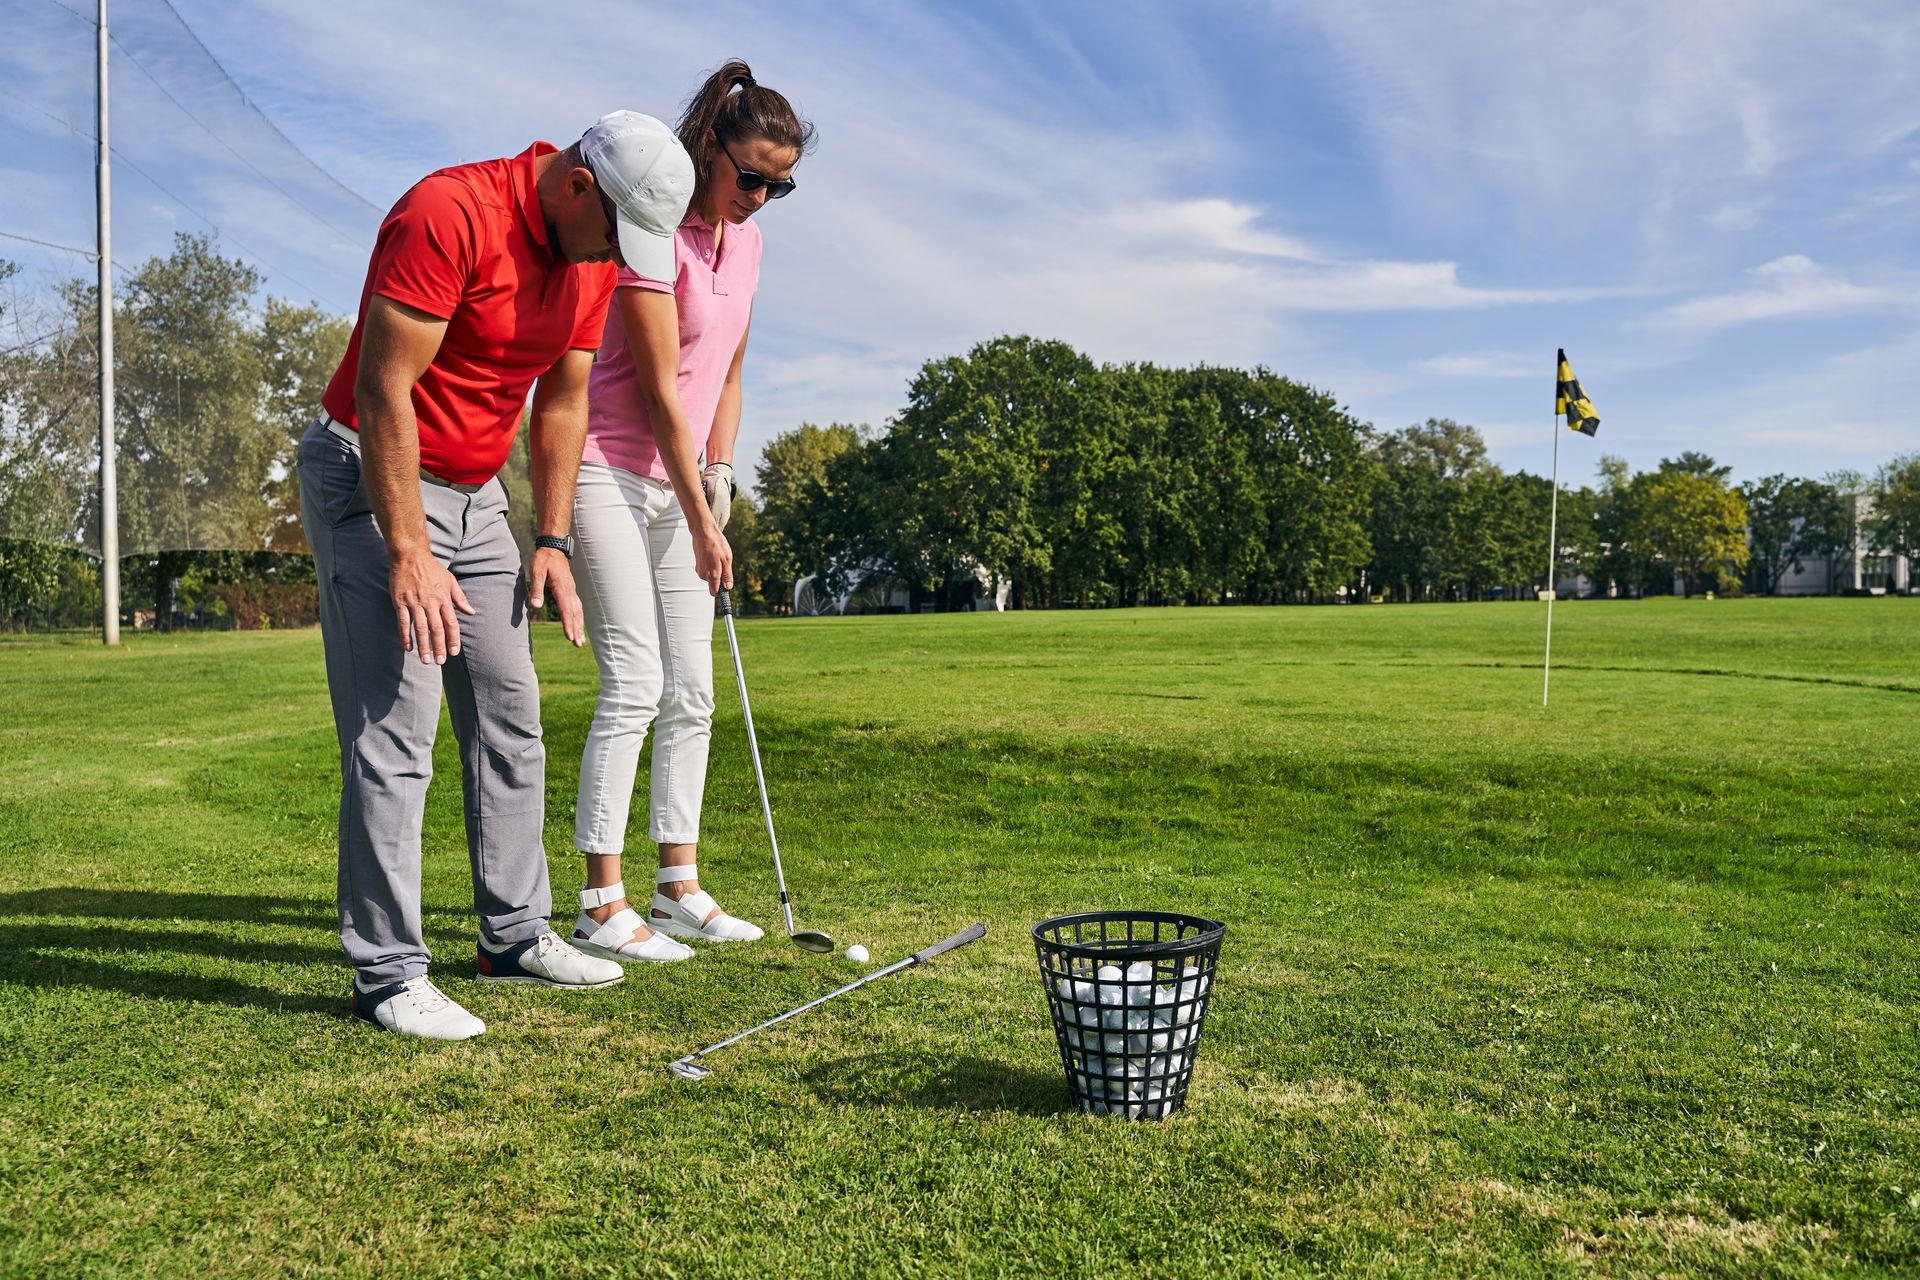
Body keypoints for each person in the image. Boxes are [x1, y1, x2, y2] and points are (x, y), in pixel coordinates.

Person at [297, 112, 695, 1039]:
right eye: (612, 232)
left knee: (512, 714)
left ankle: (512, 936)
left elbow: (561, 403)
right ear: (578, 185)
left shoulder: (592, 256)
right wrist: (408, 552)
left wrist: (549, 538)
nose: (613, 256)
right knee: (399, 730)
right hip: (372, 473)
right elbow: (381, 388)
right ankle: (387, 973)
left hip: (477, 497)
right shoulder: (450, 213)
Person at [567, 62, 814, 963]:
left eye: (778, 185)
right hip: (608, 470)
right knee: (632, 680)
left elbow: (728, 378)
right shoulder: (654, 236)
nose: (760, 196)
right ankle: (600, 898)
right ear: (708, 146)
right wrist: (706, 521)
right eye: (750, 175)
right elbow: (666, 393)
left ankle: (678, 885)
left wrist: (719, 473)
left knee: (694, 692)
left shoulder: (748, 247)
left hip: (683, 481)